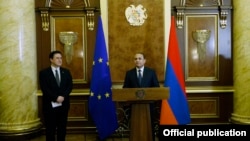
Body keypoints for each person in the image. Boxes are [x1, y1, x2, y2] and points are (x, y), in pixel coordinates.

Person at [123, 52, 160, 140]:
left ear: (144, 61)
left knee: (149, 125)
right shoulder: (129, 73)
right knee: (135, 125)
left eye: (140, 58)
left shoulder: (151, 72)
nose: (137, 60)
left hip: (149, 105)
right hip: (134, 106)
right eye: (135, 59)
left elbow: (156, 87)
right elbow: (125, 89)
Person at [39, 50, 73, 141]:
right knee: (50, 129)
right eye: (57, 58)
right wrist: (55, 98)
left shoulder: (66, 72)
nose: (60, 60)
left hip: (63, 105)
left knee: (62, 129)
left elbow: (69, 86)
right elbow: (44, 89)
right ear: (51, 59)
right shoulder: (44, 73)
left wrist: (63, 97)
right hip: (50, 106)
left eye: (61, 58)